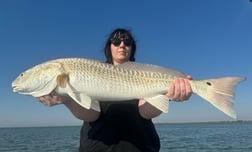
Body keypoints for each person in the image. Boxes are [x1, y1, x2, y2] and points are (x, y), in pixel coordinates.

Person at [37, 28, 192, 152]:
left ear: (132, 48)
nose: (122, 45)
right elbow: (92, 114)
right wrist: (67, 100)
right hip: (97, 147)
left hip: (141, 147)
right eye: (116, 41)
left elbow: (145, 112)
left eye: (127, 42)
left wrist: (169, 93)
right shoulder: (89, 71)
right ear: (109, 47)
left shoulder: (147, 75)